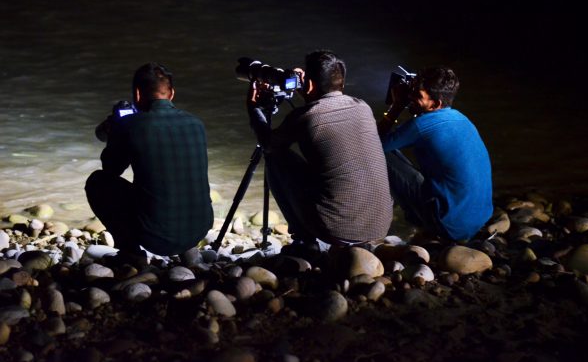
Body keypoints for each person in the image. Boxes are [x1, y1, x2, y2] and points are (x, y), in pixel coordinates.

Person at [247, 50, 393, 251]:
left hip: (335, 229)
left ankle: (304, 239)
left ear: (310, 84)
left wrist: (254, 108)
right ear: (341, 83)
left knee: (276, 156)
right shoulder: (363, 107)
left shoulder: (305, 116)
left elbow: (268, 143)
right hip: (379, 225)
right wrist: (308, 89)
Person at [86, 62, 213, 265]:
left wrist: (116, 133)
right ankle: (188, 252)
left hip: (156, 237)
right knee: (178, 174)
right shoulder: (196, 123)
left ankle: (132, 253)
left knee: (97, 182)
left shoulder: (132, 126)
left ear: (137, 95)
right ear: (171, 94)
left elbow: (111, 169)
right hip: (199, 229)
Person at [378, 66, 493, 242]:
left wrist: (397, 105)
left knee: (380, 154)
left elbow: (372, 145)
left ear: (436, 104)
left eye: (417, 95)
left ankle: (411, 221)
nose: (410, 97)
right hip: (477, 220)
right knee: (394, 153)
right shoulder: (461, 118)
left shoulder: (422, 125)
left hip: (448, 227)